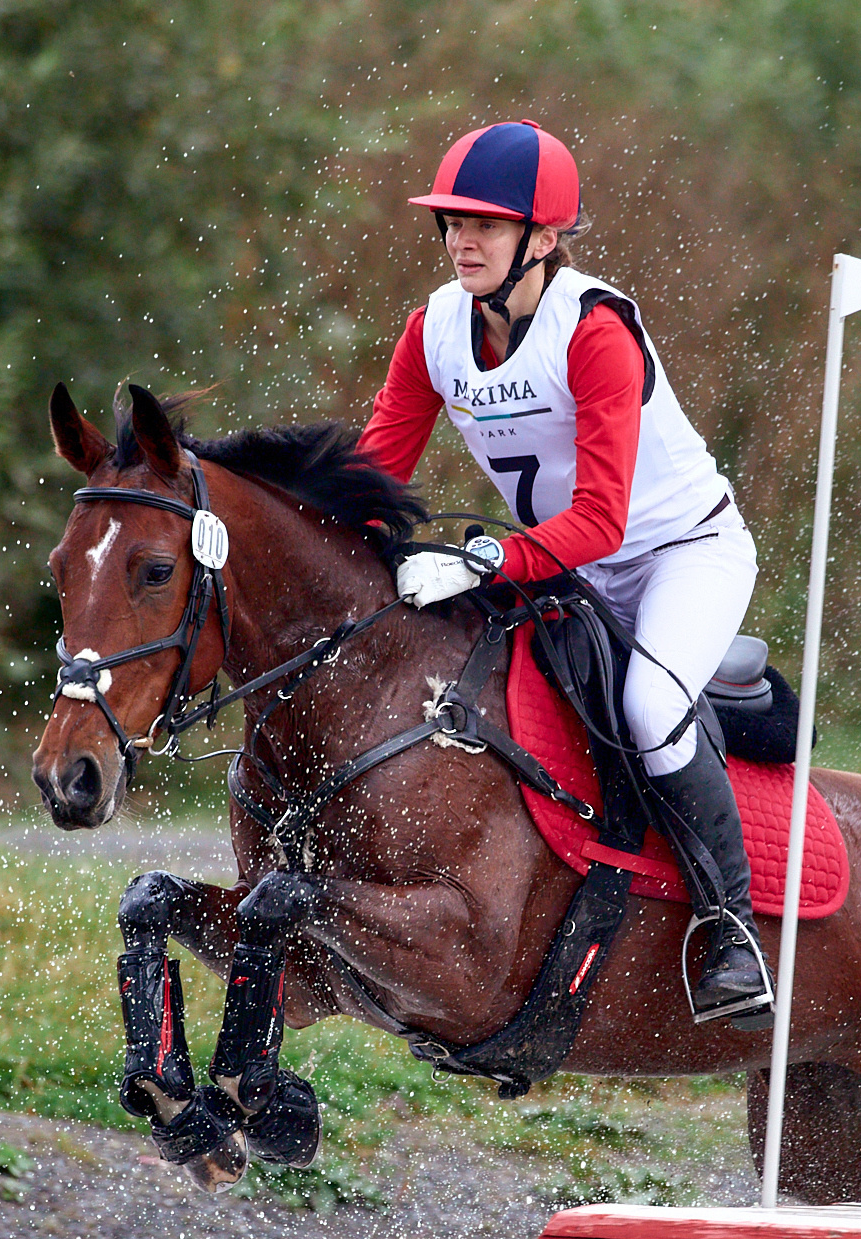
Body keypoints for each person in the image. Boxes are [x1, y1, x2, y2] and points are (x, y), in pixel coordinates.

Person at [357, 119, 773, 1027]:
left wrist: (485, 558)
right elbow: (373, 479)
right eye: (451, 223)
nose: (461, 240)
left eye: (486, 226)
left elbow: (601, 519)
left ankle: (731, 931)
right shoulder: (433, 331)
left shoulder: (593, 333)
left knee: (650, 708)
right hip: (568, 565)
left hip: (680, 554)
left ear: (542, 239)